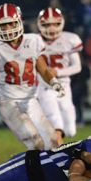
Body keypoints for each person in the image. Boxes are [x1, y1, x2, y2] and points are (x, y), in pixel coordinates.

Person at [0, 3, 63, 151]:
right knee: (35, 141)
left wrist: (53, 82)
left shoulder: (33, 41)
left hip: (31, 101)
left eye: (11, 23)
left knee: (53, 143)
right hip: (10, 103)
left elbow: (43, 70)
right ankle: (34, 173)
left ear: (19, 21)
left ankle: (54, 172)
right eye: (4, 25)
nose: (7, 29)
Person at [36, 7, 83, 145]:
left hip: (63, 84)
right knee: (54, 117)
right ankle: (56, 149)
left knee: (70, 129)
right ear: (40, 24)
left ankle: (58, 139)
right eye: (47, 24)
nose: (51, 27)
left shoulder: (70, 39)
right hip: (44, 85)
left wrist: (58, 72)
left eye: (55, 23)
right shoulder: (34, 41)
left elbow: (77, 66)